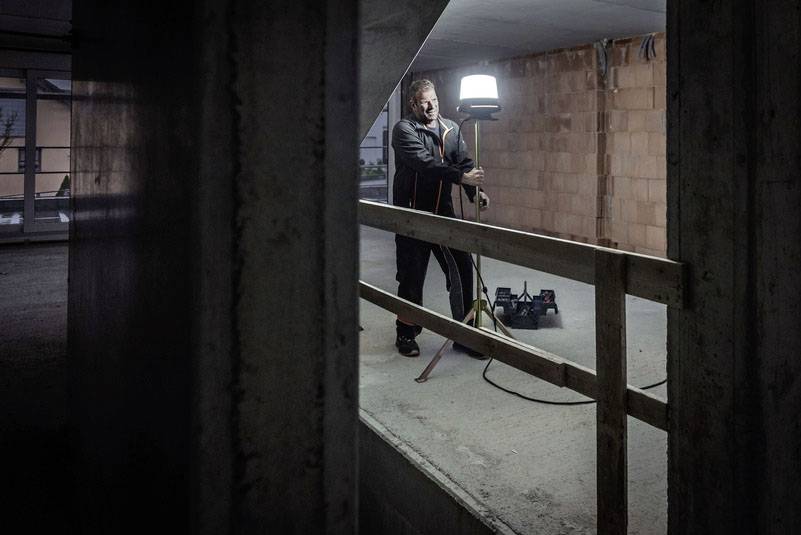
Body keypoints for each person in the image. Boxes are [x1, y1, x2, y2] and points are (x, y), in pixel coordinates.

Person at [391, 79, 490, 357]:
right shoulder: (404, 130)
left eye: (434, 100)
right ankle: (406, 332)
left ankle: (464, 334)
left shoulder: (451, 129)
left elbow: (464, 164)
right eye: (424, 102)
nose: (431, 106)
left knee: (462, 267)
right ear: (413, 104)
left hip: (443, 213)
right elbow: (426, 163)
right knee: (411, 275)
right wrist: (461, 178)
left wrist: (475, 193)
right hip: (412, 215)